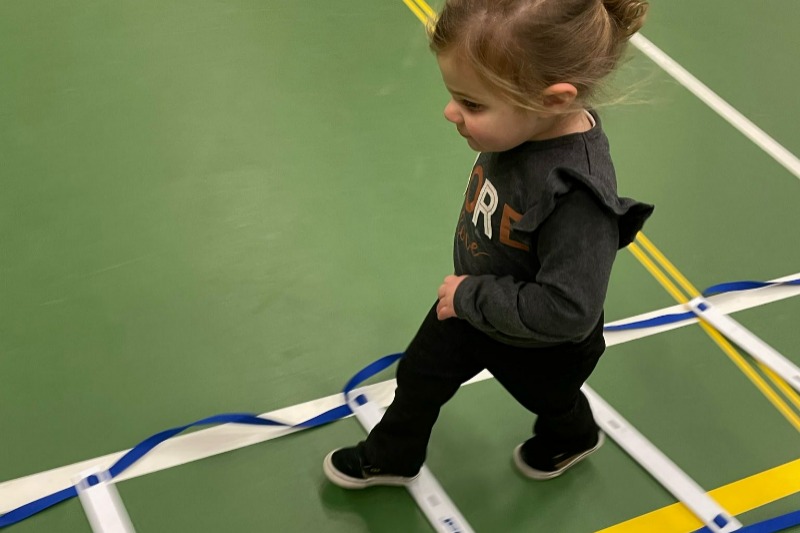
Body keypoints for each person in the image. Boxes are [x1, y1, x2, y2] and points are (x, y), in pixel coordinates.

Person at [324, 0, 654, 488]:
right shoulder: (523, 129)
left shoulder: (577, 196)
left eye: (473, 105)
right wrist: (470, 299)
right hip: (474, 305)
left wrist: (470, 296)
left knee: (551, 402)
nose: (450, 112)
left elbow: (569, 309)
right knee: (420, 374)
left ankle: (574, 435)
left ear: (552, 101)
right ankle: (393, 454)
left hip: (542, 344)